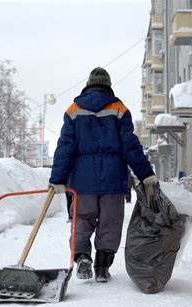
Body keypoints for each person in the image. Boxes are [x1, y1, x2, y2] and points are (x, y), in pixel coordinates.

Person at [48, 67, 157, 283]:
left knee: (81, 220)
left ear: (88, 85)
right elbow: (130, 145)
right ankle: (102, 267)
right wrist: (145, 174)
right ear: (108, 86)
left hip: (82, 181)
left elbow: (65, 147)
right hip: (113, 180)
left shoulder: (74, 110)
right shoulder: (119, 109)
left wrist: (57, 178)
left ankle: (82, 258)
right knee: (110, 222)